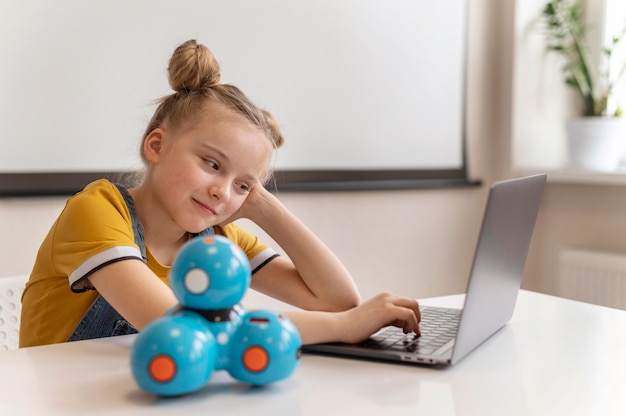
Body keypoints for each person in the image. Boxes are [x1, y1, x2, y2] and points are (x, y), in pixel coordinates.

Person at [19, 39, 420, 348]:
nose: (221, 192)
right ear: (156, 146)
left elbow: (337, 300)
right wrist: (341, 329)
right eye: (212, 164)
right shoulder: (98, 211)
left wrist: (262, 206)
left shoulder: (217, 239)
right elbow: (181, 328)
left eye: (242, 184)